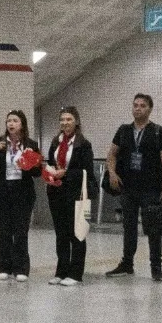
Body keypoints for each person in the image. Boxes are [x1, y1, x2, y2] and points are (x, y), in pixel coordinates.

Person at [104, 93, 162, 280]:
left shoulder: (159, 132)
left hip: (151, 189)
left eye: (142, 105)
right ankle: (127, 263)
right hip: (128, 188)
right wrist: (112, 172)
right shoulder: (123, 130)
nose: (138, 108)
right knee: (129, 227)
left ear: (149, 109)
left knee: (153, 228)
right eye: (135, 105)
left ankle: (156, 267)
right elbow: (112, 154)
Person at [43, 106, 98, 287]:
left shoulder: (83, 144)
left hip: (76, 194)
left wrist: (65, 173)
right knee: (61, 234)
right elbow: (51, 163)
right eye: (62, 120)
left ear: (76, 122)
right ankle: (61, 270)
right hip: (57, 192)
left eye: (69, 119)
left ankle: (76, 272)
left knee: (77, 233)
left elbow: (86, 172)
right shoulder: (55, 142)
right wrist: (50, 172)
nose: (65, 123)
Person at [0, 111, 42, 280]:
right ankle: (3, 266)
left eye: (15, 121)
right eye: (9, 121)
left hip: (23, 193)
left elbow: (37, 172)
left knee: (20, 231)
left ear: (22, 124)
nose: (11, 124)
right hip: (1, 192)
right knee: (3, 231)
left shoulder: (31, 144)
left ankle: (21, 268)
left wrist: (29, 162)